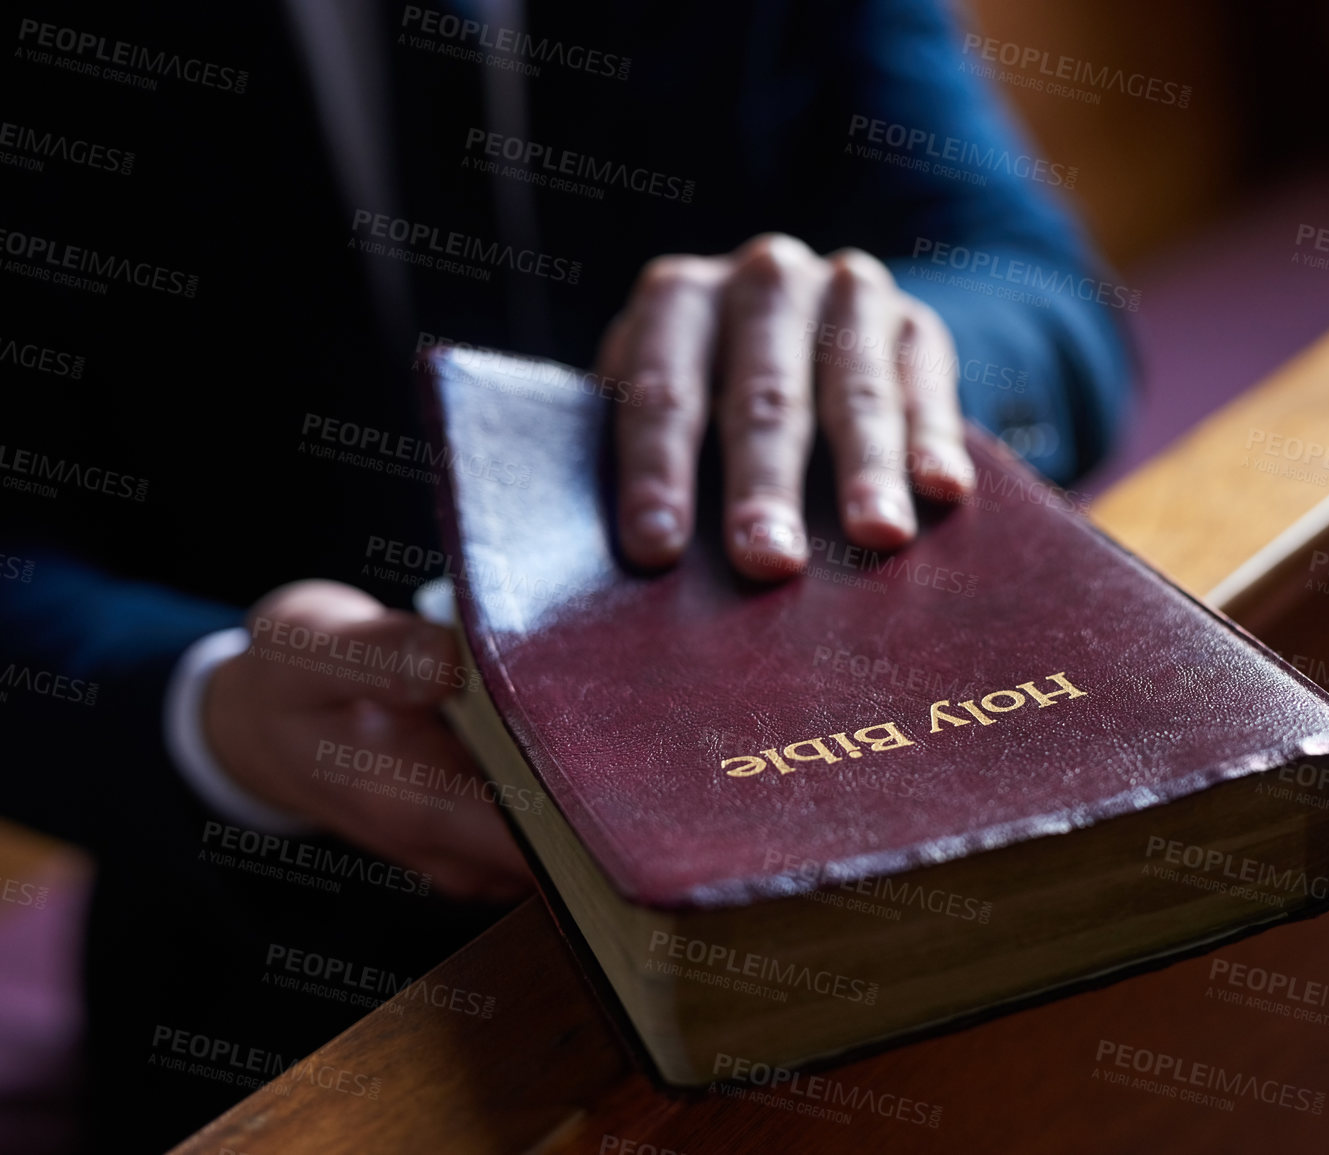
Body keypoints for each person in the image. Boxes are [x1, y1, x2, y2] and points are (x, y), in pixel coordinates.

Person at [0, 0, 1131, 1146]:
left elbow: (1043, 294)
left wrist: (901, 347)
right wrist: (205, 708)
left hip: (851, 864)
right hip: (275, 982)